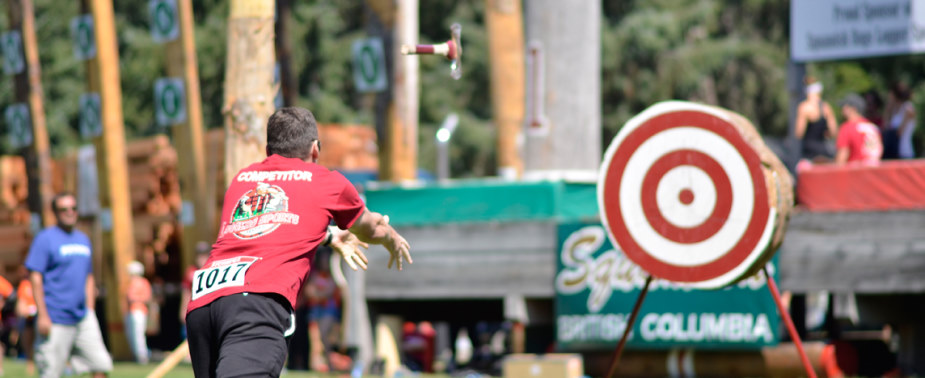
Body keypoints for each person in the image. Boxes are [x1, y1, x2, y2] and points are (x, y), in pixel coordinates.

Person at [185, 107, 412, 377]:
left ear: (269, 150)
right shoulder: (327, 183)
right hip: (256, 303)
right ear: (315, 149)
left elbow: (269, 226)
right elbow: (369, 227)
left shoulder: (242, 180)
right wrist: (391, 237)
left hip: (203, 303)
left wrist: (328, 236)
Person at [24, 192, 113, 378]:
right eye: (64, 209)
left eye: (73, 208)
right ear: (55, 213)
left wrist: (90, 309)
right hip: (55, 318)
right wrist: (42, 315)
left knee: (100, 366)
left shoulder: (83, 239)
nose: (70, 213)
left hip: (82, 318)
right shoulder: (45, 239)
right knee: (51, 372)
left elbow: (89, 276)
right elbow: (35, 277)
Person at [795, 78, 838, 162]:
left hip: (809, 151)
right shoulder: (826, 107)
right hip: (824, 149)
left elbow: (799, 133)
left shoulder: (804, 107)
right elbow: (834, 132)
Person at [834, 93, 883, 166]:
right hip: (874, 172)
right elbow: (879, 150)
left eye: (845, 107)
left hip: (855, 172)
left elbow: (841, 158)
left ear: (853, 109)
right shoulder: (873, 127)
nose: (842, 109)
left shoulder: (847, 127)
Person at [125, 261, 152, 364]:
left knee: (139, 334)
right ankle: (136, 355)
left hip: (139, 312)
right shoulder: (130, 284)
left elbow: (147, 298)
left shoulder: (144, 282)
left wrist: (135, 299)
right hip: (130, 312)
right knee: (131, 335)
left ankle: (142, 356)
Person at [883, 82, 917, 159]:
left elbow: (900, 131)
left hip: (904, 152)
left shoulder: (908, 108)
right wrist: (887, 111)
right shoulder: (895, 109)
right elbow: (886, 127)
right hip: (894, 151)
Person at [15, 266, 37, 376]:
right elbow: (20, 307)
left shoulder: (45, 282)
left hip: (42, 318)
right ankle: (30, 366)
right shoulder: (25, 285)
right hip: (29, 319)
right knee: (28, 342)